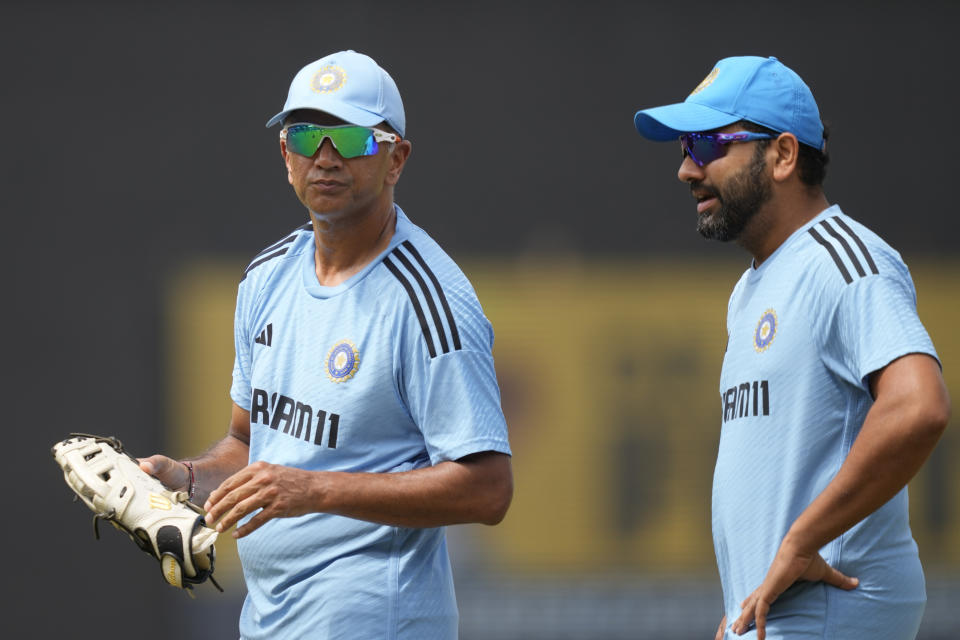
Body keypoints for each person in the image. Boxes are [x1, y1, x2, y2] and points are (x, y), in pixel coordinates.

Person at [140, 50, 513, 639]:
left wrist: (313, 489)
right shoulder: (266, 277)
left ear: (396, 158)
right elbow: (248, 443)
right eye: (308, 134)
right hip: (268, 622)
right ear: (285, 153)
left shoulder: (429, 298)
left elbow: (488, 489)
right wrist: (184, 479)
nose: (326, 156)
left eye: (350, 136)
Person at [633, 56, 950, 640]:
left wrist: (802, 542)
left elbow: (918, 406)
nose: (685, 168)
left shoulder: (845, 259)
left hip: (833, 610)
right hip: (780, 617)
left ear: (782, 155)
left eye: (705, 145)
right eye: (684, 146)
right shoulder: (753, 286)